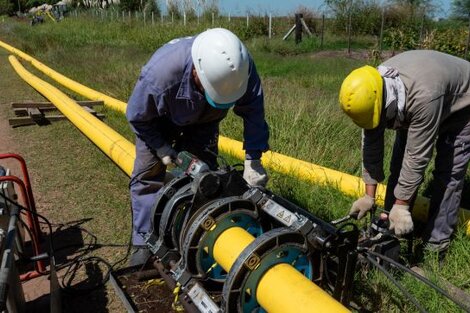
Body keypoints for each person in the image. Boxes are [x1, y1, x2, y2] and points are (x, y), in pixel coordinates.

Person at [126, 28, 269, 264]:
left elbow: (254, 113)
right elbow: (138, 117)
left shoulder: (241, 69)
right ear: (196, 72)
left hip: (207, 120)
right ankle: (143, 241)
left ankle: (195, 236)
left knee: (206, 179)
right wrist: (160, 147)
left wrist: (253, 160)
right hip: (159, 120)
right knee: (147, 177)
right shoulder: (161, 75)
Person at [339, 50, 470, 254]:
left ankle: (436, 244)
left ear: (386, 104)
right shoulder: (371, 89)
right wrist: (368, 196)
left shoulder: (423, 97)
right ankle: (390, 228)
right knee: (398, 165)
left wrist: (402, 206)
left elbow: (417, 157)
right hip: (424, 95)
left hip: (462, 105)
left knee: (448, 172)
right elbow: (372, 146)